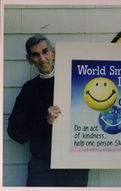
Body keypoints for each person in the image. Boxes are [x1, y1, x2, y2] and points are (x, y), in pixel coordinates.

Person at [7, 34, 89, 187]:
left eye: (45, 51)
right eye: (36, 55)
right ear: (29, 59)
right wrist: (45, 121)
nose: (42, 58)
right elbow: (15, 132)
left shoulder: (77, 83)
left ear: (53, 52)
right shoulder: (29, 90)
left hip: (74, 167)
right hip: (42, 167)